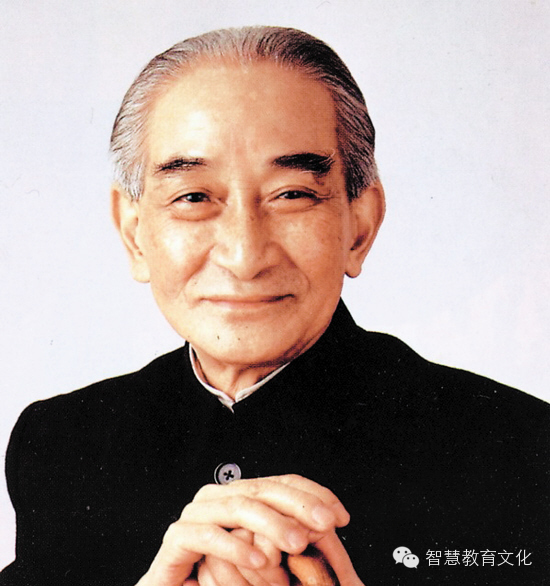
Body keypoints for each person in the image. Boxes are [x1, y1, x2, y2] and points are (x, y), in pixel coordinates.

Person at [1, 26, 548, 586]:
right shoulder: (62, 445)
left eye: (292, 194)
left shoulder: (520, 451)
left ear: (360, 226)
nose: (244, 256)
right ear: (134, 234)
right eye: (193, 197)